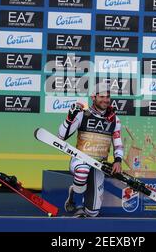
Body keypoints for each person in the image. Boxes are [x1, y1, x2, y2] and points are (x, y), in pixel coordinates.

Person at [58, 83, 124, 217]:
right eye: (102, 96)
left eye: (108, 97)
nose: (106, 100)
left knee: (92, 212)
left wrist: (118, 160)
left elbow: (118, 143)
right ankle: (76, 200)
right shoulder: (82, 114)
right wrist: (69, 118)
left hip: (99, 165)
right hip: (80, 160)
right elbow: (61, 136)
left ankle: (76, 192)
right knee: (83, 171)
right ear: (93, 97)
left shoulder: (114, 120)